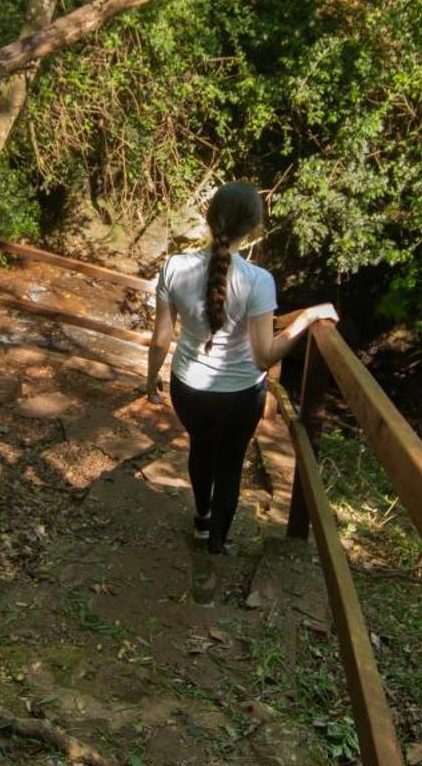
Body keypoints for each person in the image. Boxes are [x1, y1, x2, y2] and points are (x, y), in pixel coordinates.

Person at [140, 182, 338, 555]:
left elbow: (160, 340)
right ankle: (217, 544)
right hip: (240, 396)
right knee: (229, 466)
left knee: (200, 447)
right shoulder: (259, 281)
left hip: (188, 388)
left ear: (209, 217)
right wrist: (306, 317)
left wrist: (150, 382)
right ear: (255, 228)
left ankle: (201, 522)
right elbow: (265, 356)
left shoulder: (174, 267)